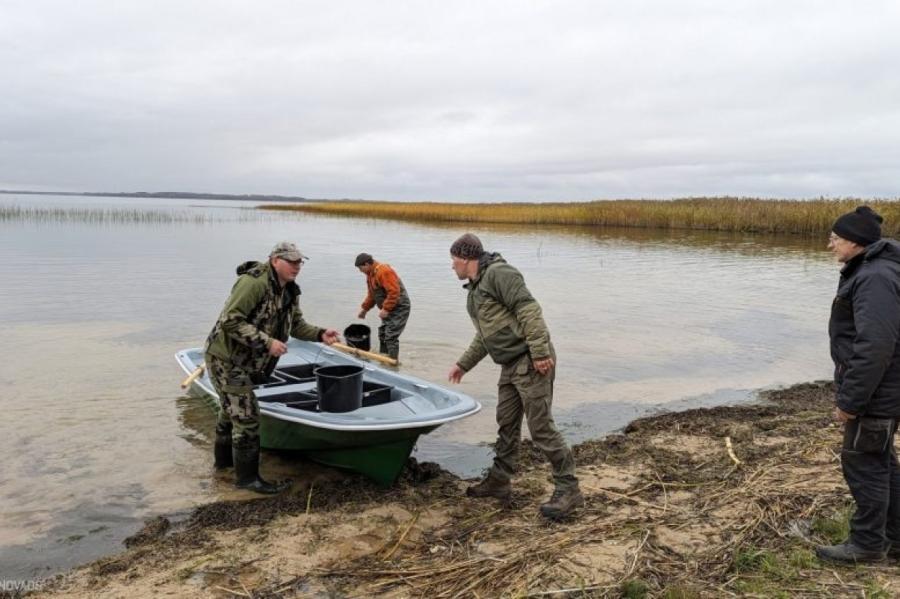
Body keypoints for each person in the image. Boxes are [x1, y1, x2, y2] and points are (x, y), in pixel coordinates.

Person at [446, 233, 583, 520]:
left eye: (454, 259)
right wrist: (463, 365)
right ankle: (499, 481)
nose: (452, 265)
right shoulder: (475, 289)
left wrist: (540, 352)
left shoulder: (499, 273)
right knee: (506, 424)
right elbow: (486, 337)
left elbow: (528, 309)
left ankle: (568, 489)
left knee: (541, 427)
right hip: (510, 366)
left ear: (467, 258)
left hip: (531, 361)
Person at [204, 242, 340, 494]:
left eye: (300, 262)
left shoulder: (290, 290)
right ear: (275, 260)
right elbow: (229, 321)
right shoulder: (253, 283)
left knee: (230, 412)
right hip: (226, 359)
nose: (297, 267)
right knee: (247, 418)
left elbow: (296, 326)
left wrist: (321, 334)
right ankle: (246, 481)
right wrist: (267, 343)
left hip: (247, 363)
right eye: (292, 261)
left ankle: (222, 467)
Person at [816, 206, 900, 563]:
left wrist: (850, 400)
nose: (830, 244)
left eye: (835, 238)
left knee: (863, 463)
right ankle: (894, 538)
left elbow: (875, 344)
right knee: (880, 461)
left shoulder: (875, 277)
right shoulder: (877, 269)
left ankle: (866, 545)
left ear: (853, 241)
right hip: (888, 388)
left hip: (878, 392)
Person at [355, 252, 411, 361]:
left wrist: (386, 308)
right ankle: (383, 359)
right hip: (389, 308)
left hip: (400, 307)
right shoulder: (370, 275)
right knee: (382, 334)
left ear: (366, 264)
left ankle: (393, 363)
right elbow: (372, 295)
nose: (360, 271)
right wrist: (364, 309)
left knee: (390, 336)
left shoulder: (384, 271)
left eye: (360, 268)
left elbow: (394, 292)